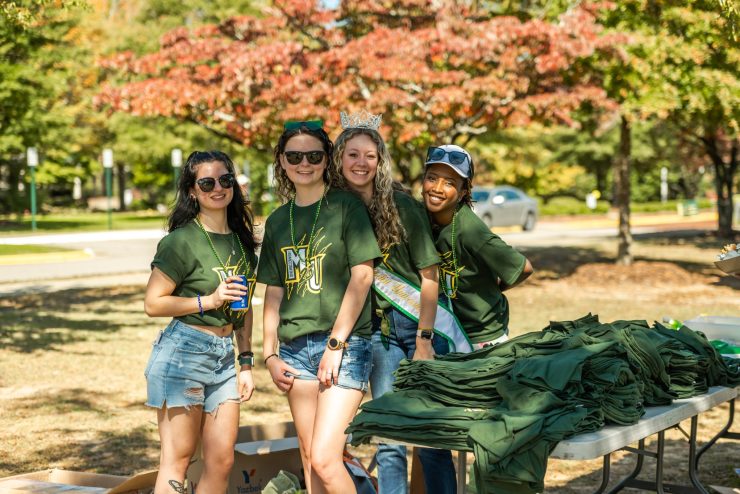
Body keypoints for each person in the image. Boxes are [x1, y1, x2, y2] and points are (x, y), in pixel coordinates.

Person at [328, 112, 457, 494]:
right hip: (378, 337)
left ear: (380, 160)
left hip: (417, 325)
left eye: (369, 155)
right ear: (339, 159)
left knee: (430, 435)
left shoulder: (404, 208)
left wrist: (424, 340)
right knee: (390, 437)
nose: (360, 163)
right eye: (352, 154)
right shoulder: (335, 210)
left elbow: (429, 277)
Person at [257, 120, 381, 494]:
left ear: (327, 160)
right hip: (294, 351)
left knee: (327, 458)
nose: (304, 163)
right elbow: (274, 292)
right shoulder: (279, 220)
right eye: (295, 156)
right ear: (282, 161)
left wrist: (336, 345)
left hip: (343, 347)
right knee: (310, 459)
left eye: (314, 155)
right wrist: (269, 355)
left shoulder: (346, 207)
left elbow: (362, 277)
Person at [143, 150, 258, 494]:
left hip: (224, 358)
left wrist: (247, 361)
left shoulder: (240, 241)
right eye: (206, 183)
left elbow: (245, 305)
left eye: (225, 180)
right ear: (192, 191)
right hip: (184, 354)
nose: (217, 188)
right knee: (177, 459)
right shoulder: (181, 241)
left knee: (222, 461)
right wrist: (207, 301)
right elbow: (152, 303)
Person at [422, 144, 534, 348]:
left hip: (482, 335)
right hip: (446, 329)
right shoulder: (424, 218)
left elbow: (523, 267)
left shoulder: (472, 231)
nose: (437, 188)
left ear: (464, 191)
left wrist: (494, 290)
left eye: (449, 183)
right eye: (431, 178)